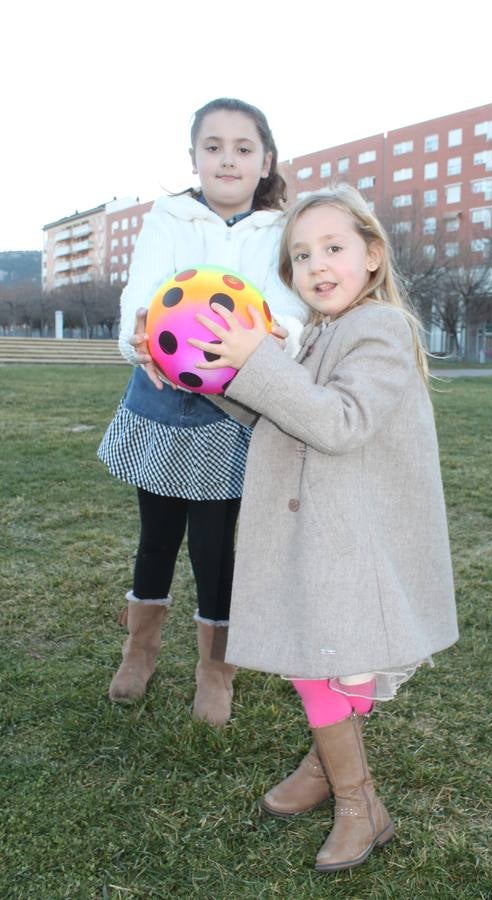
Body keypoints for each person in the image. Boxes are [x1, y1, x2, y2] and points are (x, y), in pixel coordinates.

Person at [188, 185, 458, 872]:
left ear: (371, 254)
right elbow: (285, 414)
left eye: (333, 248)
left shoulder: (380, 328)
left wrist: (263, 363)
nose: (316, 265)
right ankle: (326, 772)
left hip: (352, 538)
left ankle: (359, 803)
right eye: (301, 255)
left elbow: (338, 423)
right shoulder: (316, 334)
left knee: (329, 663)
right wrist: (217, 375)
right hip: (317, 534)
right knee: (328, 663)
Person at [97, 98, 308, 726]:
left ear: (265, 161)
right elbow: (142, 292)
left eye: (244, 148)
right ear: (194, 157)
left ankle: (215, 670)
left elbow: (286, 308)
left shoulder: (279, 229)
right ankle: (141, 649)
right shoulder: (169, 218)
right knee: (157, 536)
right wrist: (136, 337)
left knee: (215, 547)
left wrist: (281, 338)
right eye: (213, 146)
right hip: (162, 399)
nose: (227, 159)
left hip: (231, 408)